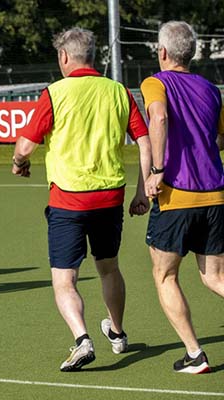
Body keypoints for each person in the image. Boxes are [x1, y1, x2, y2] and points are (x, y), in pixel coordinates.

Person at [11, 28, 152, 371]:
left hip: (68, 200)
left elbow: (25, 145)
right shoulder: (117, 91)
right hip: (109, 198)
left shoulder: (55, 93)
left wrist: (20, 162)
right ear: (92, 55)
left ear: (64, 57)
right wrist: (141, 189)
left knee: (64, 279)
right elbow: (145, 140)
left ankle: (82, 338)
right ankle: (117, 333)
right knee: (109, 268)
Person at [141, 21, 224, 375]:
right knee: (215, 277)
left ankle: (195, 354)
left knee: (165, 277)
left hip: (177, 195)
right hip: (216, 193)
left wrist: (157, 169)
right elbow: (221, 139)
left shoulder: (155, 83)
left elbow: (158, 116)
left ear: (162, 52)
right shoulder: (211, 88)